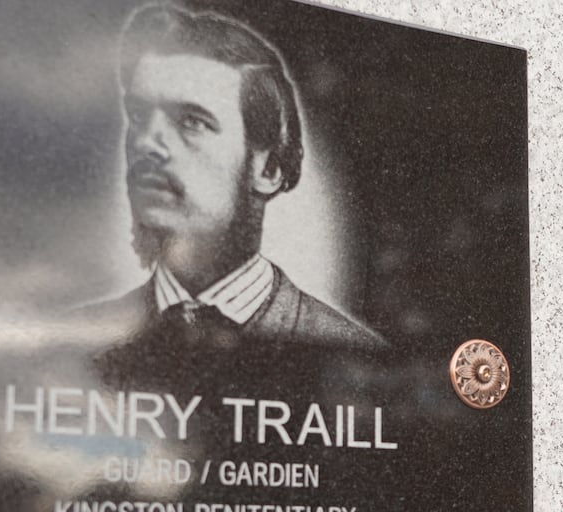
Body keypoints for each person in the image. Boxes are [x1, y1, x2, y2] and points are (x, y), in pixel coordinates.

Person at [91, 3, 384, 386]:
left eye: (192, 121)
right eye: (140, 116)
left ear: (268, 169)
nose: (146, 143)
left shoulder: (356, 359)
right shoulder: (74, 340)